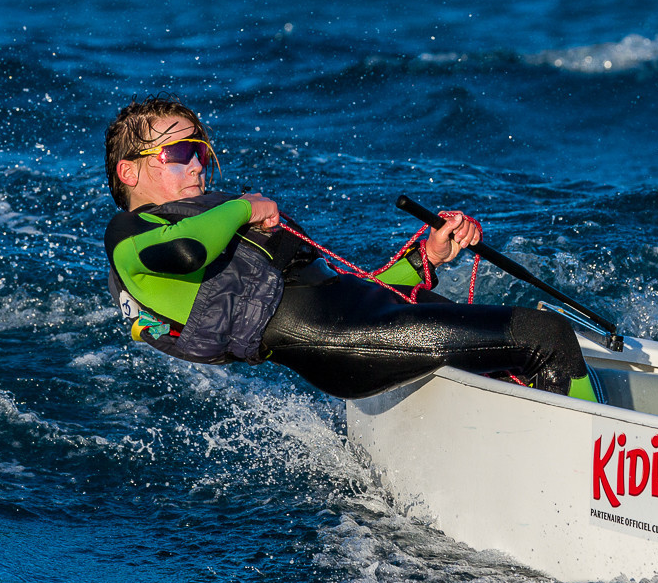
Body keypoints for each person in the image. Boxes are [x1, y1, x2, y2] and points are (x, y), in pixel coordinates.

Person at [102, 96, 591, 400]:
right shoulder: (131, 237)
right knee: (545, 336)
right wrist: (244, 207)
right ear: (130, 172)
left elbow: (350, 291)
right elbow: (187, 252)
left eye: (200, 152)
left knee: (519, 355)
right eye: (178, 153)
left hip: (360, 323)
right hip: (340, 343)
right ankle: (592, 481)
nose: (197, 166)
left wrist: (426, 260)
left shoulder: (211, 219)